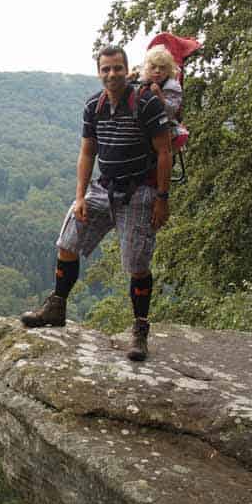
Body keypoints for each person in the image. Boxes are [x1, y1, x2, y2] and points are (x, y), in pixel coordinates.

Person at [20, 44, 172, 361]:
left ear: (126, 69)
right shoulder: (94, 105)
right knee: (68, 241)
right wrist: (79, 197)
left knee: (137, 265)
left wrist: (161, 198)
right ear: (99, 72)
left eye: (117, 68)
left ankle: (140, 330)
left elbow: (164, 152)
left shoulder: (146, 103)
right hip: (103, 189)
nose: (112, 74)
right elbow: (87, 152)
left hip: (139, 191)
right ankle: (57, 306)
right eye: (105, 69)